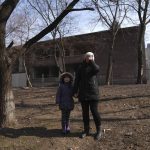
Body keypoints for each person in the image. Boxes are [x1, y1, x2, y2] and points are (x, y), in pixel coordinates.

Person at [73, 52, 101, 140]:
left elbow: (97, 69)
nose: (90, 57)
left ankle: (99, 130)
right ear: (85, 57)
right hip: (83, 93)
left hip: (93, 93)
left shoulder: (94, 66)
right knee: (85, 113)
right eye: (88, 56)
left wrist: (92, 61)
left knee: (94, 111)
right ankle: (86, 130)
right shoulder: (80, 67)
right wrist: (75, 91)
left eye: (92, 56)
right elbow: (77, 80)